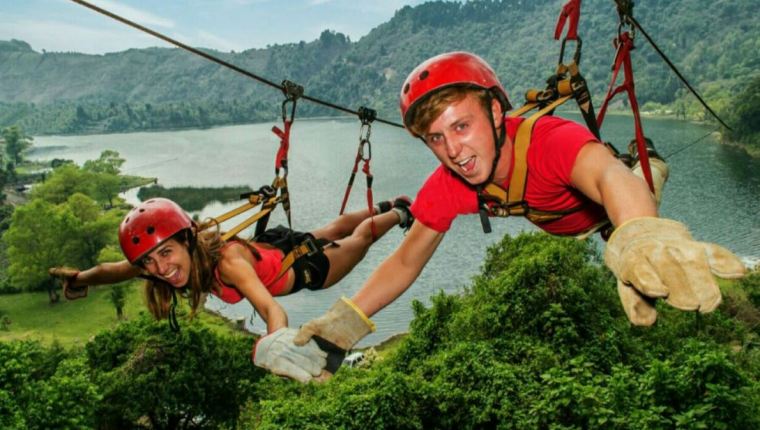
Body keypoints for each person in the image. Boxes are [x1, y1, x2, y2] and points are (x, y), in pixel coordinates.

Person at [286, 51, 747, 377]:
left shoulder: (551, 141)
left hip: (612, 205)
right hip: (568, 222)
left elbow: (608, 177)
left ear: (494, 111)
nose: (453, 151)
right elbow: (405, 261)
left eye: (461, 126)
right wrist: (343, 326)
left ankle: (648, 157)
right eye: (435, 138)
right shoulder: (451, 184)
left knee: (641, 179)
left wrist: (641, 237)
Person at [49, 195, 413, 382]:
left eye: (165, 253)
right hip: (272, 246)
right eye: (149, 262)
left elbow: (271, 309)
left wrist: (278, 350)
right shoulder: (170, 257)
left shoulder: (227, 263)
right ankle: (386, 205)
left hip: (305, 268)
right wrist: (80, 279)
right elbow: (113, 270)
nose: (160, 269)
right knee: (333, 228)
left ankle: (401, 213)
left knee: (360, 237)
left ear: (188, 238)